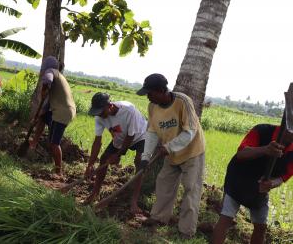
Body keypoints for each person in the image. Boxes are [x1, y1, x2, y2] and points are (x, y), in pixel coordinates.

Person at [137, 73, 206, 239]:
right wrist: (145, 157)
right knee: (163, 184)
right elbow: (152, 132)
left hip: (192, 153)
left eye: (150, 93)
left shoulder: (182, 102)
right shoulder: (153, 106)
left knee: (191, 190)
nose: (148, 97)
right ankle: (158, 218)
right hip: (170, 153)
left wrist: (169, 147)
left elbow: (190, 131)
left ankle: (186, 231)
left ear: (161, 91)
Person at [211, 123, 293, 244]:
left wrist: (271, 184)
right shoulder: (261, 130)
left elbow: (282, 177)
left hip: (260, 187)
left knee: (261, 227)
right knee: (226, 218)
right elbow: (241, 153)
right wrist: (265, 149)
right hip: (239, 179)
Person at [84, 92, 148, 215]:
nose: (100, 115)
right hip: (119, 139)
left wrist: (118, 155)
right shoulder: (99, 117)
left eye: (102, 112)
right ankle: (95, 193)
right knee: (103, 159)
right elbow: (97, 142)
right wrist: (90, 165)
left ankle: (134, 201)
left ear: (110, 106)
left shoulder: (128, 110)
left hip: (140, 135)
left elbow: (131, 135)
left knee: (139, 163)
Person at [29, 56, 76, 175]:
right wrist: (38, 115)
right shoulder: (59, 76)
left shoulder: (51, 72)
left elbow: (48, 80)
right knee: (43, 118)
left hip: (62, 113)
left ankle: (58, 171)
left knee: (54, 143)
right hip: (64, 110)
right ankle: (34, 143)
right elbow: (48, 104)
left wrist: (45, 88)